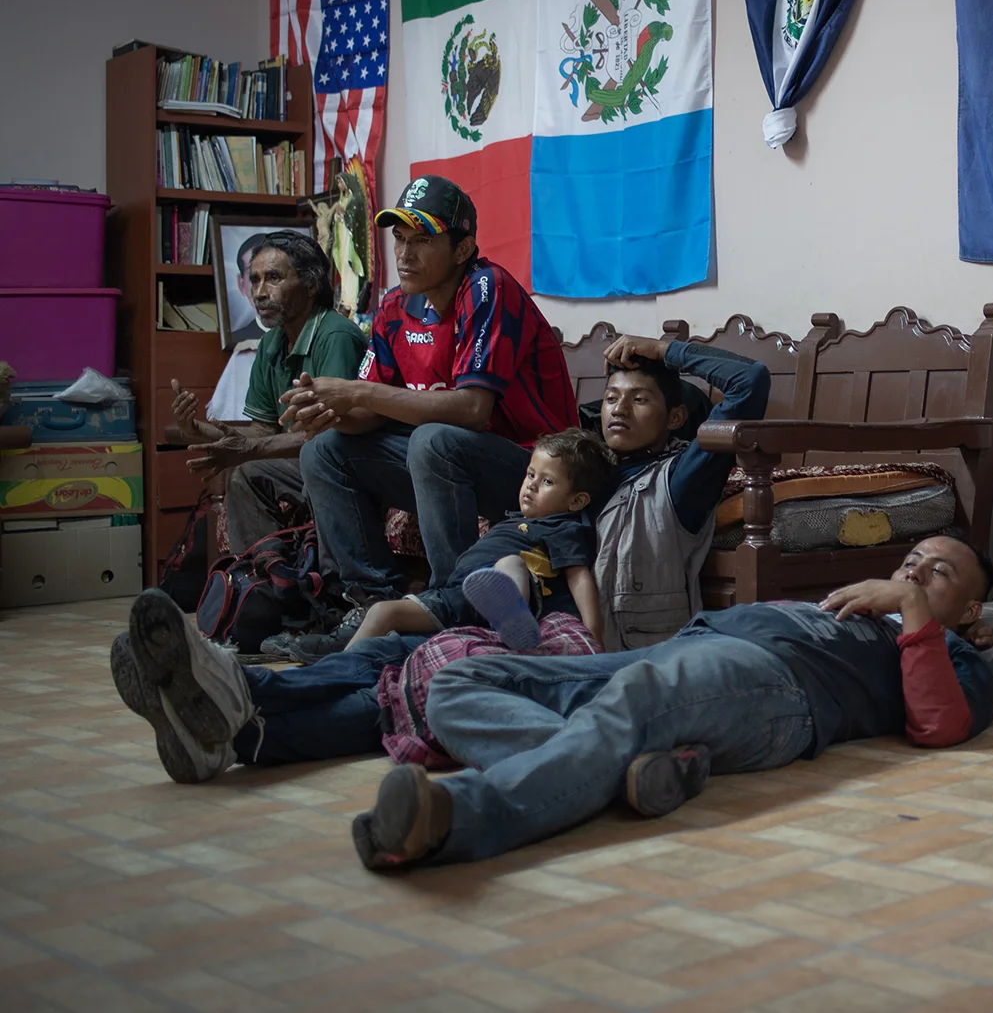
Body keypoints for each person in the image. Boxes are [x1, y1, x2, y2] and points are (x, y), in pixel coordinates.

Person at [107, 337, 770, 782]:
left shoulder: (678, 483)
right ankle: (231, 722)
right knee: (393, 660)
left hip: (599, 656)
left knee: (414, 691)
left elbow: (752, 381)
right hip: (528, 628)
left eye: (641, 398)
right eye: (614, 396)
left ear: (676, 418)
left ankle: (232, 704)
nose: (619, 408)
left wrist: (664, 350)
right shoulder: (585, 474)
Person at [350, 533, 993, 870]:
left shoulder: (954, 649)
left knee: (639, 699)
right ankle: (633, 774)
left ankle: (456, 818)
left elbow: (940, 725)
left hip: (779, 685)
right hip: (687, 650)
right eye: (912, 562)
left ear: (970, 609)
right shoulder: (861, 603)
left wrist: (912, 607)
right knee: (460, 681)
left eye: (937, 573)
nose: (914, 572)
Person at [283, 175, 577, 608]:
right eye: (400, 239)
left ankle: (452, 604)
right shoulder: (394, 306)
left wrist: (357, 393)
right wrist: (329, 410)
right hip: (449, 465)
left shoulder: (486, 287)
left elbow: (473, 409)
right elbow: (371, 413)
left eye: (422, 240)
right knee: (323, 451)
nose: (405, 254)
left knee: (432, 440)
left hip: (535, 468)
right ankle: (366, 599)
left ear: (462, 249)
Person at [167, 230, 367, 552]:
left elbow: (330, 436)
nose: (260, 293)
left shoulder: (336, 336)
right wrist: (196, 429)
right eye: (255, 280)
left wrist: (251, 450)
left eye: (273, 278)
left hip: (340, 460)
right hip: (306, 459)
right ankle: (263, 573)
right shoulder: (271, 342)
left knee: (249, 471)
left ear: (311, 284)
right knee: (246, 471)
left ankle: (269, 574)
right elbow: (262, 429)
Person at [348, 427, 617, 649]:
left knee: (510, 562)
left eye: (547, 482)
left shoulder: (561, 527)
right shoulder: (513, 520)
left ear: (576, 501)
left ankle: (512, 619)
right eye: (531, 474)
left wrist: (593, 631)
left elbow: (578, 576)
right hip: (456, 595)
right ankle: (339, 670)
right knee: (383, 612)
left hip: (511, 595)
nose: (532, 485)